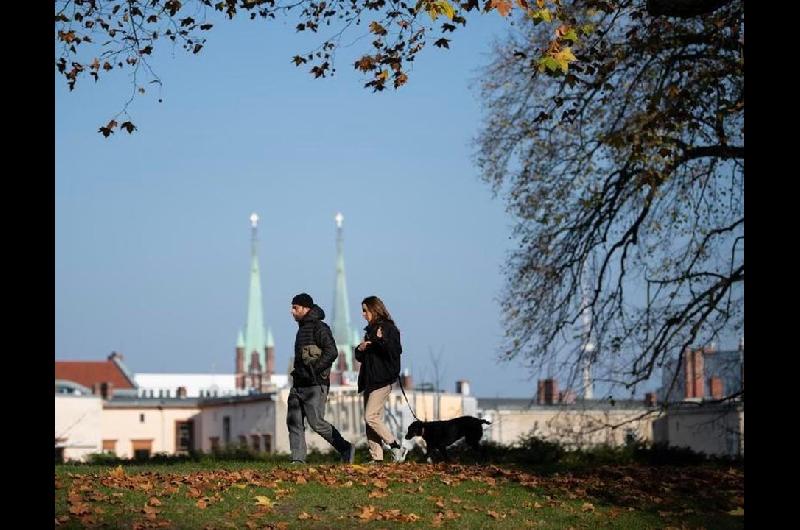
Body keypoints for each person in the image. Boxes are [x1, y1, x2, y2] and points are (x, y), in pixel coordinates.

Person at [287, 293, 355, 464]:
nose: (292, 311)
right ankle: (298, 459)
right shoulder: (302, 329)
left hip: (316, 385)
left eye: (295, 308)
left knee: (316, 422)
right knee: (294, 421)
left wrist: (314, 371)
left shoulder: (320, 327)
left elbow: (332, 351)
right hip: (299, 384)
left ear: (305, 308)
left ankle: (345, 448)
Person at [355, 295, 406, 463]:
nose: (363, 314)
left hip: (382, 380)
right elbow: (360, 357)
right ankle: (377, 458)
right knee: (372, 420)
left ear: (374, 310)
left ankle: (396, 446)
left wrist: (378, 340)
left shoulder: (389, 329)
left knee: (370, 417)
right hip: (368, 380)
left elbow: (393, 352)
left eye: (365, 310)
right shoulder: (369, 331)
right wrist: (361, 348)